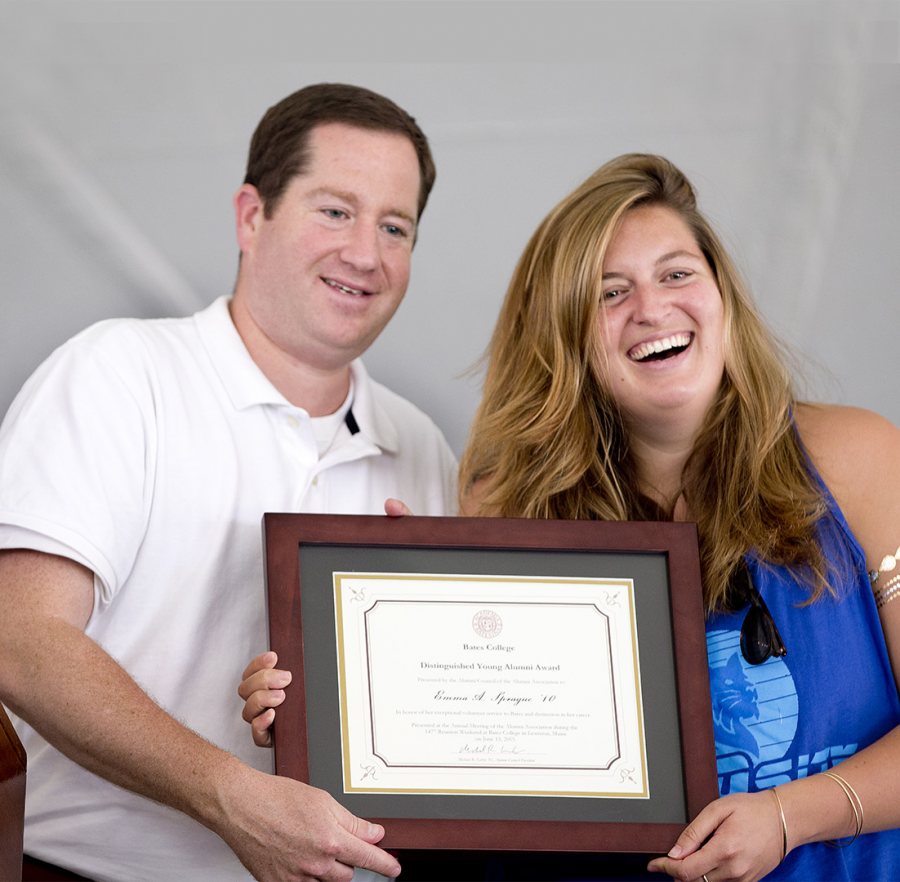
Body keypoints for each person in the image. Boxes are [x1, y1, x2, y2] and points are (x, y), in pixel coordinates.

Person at [0, 82, 457, 882]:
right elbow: (19, 638)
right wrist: (230, 796)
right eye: (335, 210)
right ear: (252, 216)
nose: (365, 253)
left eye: (396, 226)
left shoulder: (421, 450)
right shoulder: (119, 374)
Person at [455, 153, 900, 880]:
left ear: (721, 295)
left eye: (676, 273)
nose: (652, 308)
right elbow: (485, 767)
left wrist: (790, 818)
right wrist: (336, 682)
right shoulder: (506, 507)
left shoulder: (860, 459)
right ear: (564, 337)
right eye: (610, 292)